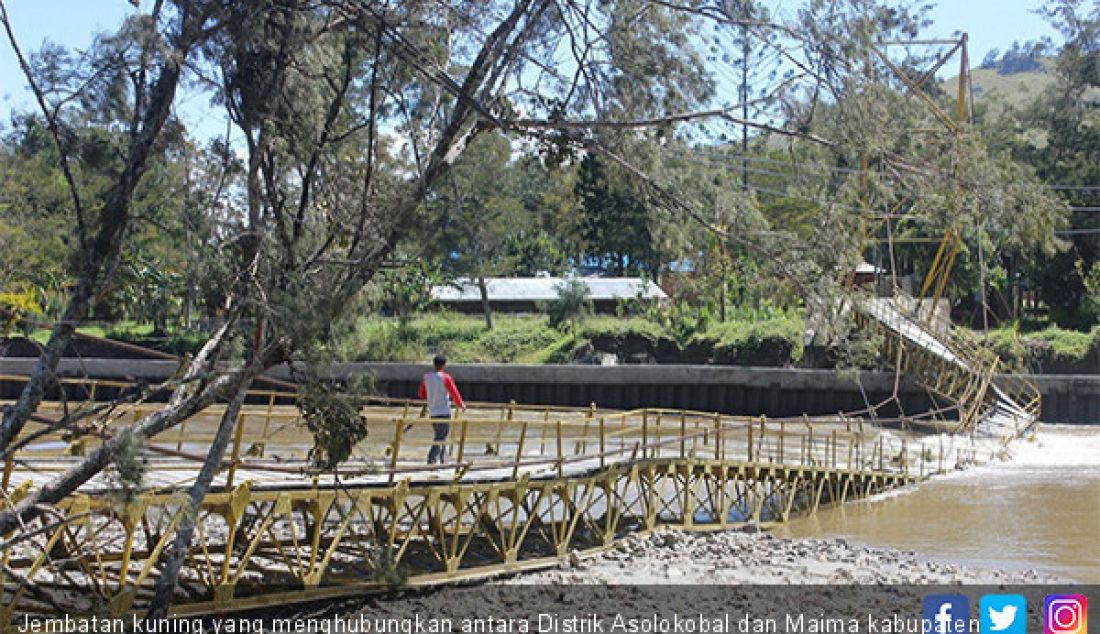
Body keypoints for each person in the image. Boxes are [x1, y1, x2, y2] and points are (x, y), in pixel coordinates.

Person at [418, 354, 465, 464]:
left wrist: (431, 397)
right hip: (443, 411)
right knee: (441, 436)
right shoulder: (445, 377)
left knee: (441, 435)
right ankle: (432, 457)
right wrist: (461, 405)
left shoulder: (426, 377)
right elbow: (454, 393)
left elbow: (421, 394)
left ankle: (443, 459)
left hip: (433, 411)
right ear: (444, 365)